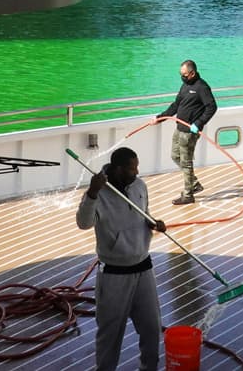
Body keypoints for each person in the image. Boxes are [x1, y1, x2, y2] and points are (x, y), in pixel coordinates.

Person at [76, 147, 167, 371]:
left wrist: (153, 222)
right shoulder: (98, 192)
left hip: (144, 268)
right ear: (117, 169)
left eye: (136, 167)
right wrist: (92, 194)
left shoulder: (140, 186)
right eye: (131, 168)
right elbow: (84, 223)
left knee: (152, 327)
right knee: (110, 333)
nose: (136, 172)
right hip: (114, 274)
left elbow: (142, 213)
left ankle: (149, 368)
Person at [157, 59, 217, 205]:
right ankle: (194, 184)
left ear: (192, 73)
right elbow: (176, 105)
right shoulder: (185, 85)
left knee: (186, 161)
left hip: (190, 132)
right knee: (175, 155)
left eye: (184, 74)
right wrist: (161, 117)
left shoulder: (202, 87)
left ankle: (188, 194)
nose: (182, 76)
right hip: (179, 128)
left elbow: (212, 107)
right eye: (180, 74)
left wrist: (198, 123)